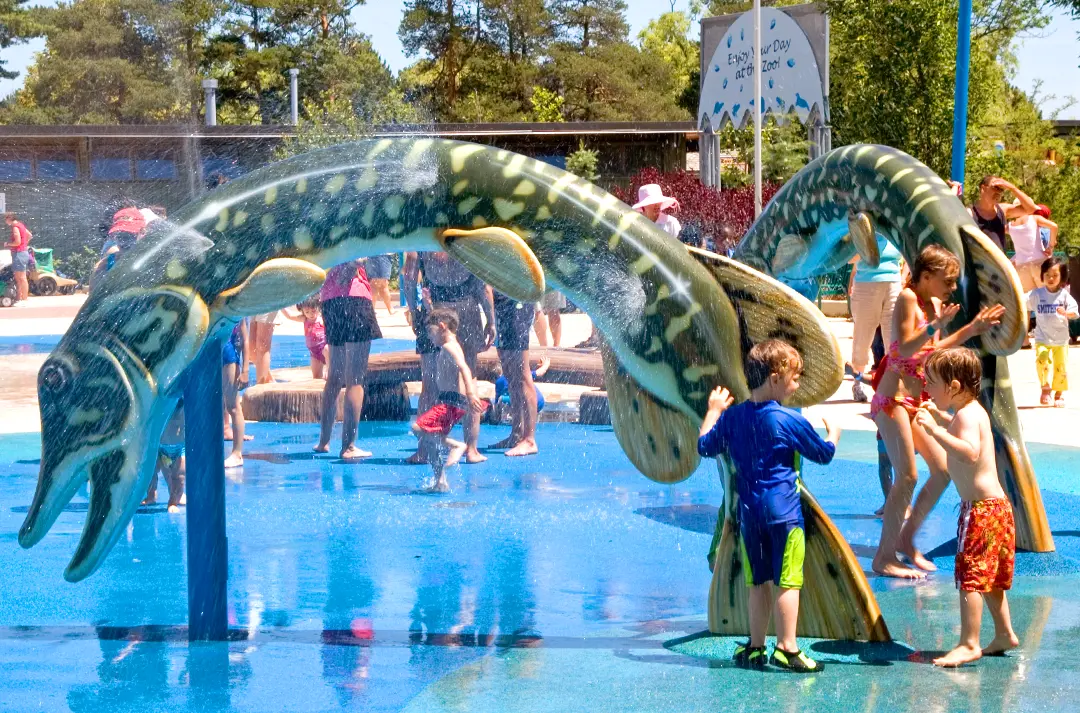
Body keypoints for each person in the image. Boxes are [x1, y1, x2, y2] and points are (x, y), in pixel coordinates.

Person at [697, 339, 840, 673]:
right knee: (787, 581)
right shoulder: (788, 419)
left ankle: (756, 646)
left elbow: (705, 446)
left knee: (757, 582)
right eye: (795, 375)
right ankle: (787, 648)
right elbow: (823, 455)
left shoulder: (732, 418)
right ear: (775, 377)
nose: (798, 383)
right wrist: (834, 433)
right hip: (784, 516)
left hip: (750, 517)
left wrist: (713, 410)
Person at [871, 245, 1005, 579]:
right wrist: (934, 326)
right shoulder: (906, 298)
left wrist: (969, 330)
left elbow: (932, 351)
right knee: (907, 475)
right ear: (926, 276)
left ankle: (906, 538)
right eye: (946, 280)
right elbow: (904, 347)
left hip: (914, 402)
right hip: (893, 399)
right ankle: (883, 557)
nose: (951, 287)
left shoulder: (931, 305)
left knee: (942, 471)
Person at [914, 348, 1018, 667]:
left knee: (970, 576)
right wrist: (940, 419)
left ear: (954, 386)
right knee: (988, 577)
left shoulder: (967, 416)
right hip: (993, 507)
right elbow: (962, 431)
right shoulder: (969, 411)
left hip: (982, 510)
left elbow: (970, 452)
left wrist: (934, 431)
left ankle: (969, 643)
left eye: (931, 382)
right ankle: (1003, 633)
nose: (926, 387)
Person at [406, 252, 494, 464]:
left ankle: (426, 449)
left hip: (436, 312)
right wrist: (491, 320)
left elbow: (409, 279)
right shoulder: (465, 235)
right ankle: (470, 450)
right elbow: (483, 285)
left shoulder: (423, 238)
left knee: (431, 385)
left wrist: (414, 310)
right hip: (462, 309)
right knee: (467, 382)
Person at [411, 309, 488, 492]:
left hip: (451, 402)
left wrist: (471, 393)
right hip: (449, 400)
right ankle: (440, 481)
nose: (430, 337)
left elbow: (465, 368)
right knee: (431, 441)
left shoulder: (449, 347)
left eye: (430, 332)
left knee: (418, 428)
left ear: (442, 327)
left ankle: (457, 446)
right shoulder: (451, 344)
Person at [316, 260, 382, 459]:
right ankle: (348, 446)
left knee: (335, 376)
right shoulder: (353, 229)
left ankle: (323, 441)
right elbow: (357, 259)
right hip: (355, 299)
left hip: (330, 300)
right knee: (355, 378)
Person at [848, 234, 904, 402]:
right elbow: (849, 257)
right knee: (863, 337)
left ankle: (891, 384)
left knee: (894, 338)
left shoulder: (893, 225)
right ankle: (858, 383)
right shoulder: (862, 225)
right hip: (866, 283)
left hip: (894, 282)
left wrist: (903, 276)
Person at [1027, 257, 1078, 407]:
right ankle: (1045, 388)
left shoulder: (1064, 296)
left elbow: (1074, 312)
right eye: (1047, 274)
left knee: (1060, 367)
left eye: (1055, 275)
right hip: (1042, 338)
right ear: (1042, 275)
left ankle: (1059, 394)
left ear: (1062, 277)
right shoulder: (1036, 294)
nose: (1050, 278)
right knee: (1042, 360)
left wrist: (1066, 313)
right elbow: (1021, 301)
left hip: (1061, 340)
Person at [969, 176, 1036, 252]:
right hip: (979, 262)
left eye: (1001, 189)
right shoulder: (970, 213)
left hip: (1000, 262)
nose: (998, 192)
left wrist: (1012, 188)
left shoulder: (1003, 210)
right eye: (995, 187)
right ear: (983, 188)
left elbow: (1031, 209)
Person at [144, 404, 186, 513]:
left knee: (179, 476)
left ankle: (173, 501)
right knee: (151, 471)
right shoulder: (162, 404)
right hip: (160, 446)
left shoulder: (183, 405)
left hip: (181, 447)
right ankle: (151, 494)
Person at [1009, 204, 1058, 292]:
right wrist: (1051, 247)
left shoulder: (1010, 226)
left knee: (1029, 301)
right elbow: (1054, 226)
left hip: (1021, 266)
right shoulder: (1034, 219)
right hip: (1039, 262)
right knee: (1047, 296)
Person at [222, 320, 250, 469]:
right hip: (214, 355)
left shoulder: (236, 311)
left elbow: (245, 339)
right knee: (217, 403)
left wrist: (245, 370)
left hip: (229, 358)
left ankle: (237, 453)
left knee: (233, 406)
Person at [283, 296, 328, 380]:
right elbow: (289, 316)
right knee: (316, 376)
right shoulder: (305, 319)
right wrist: (281, 306)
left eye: (313, 311)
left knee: (329, 371)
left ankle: (329, 371)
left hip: (324, 350)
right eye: (307, 312)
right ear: (303, 312)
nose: (310, 314)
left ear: (318, 307)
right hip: (314, 353)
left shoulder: (322, 319)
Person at [4, 212, 31, 303]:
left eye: (6, 219)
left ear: (9, 219)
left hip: (19, 254)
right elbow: (29, 235)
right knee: (18, 277)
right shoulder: (21, 225)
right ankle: (19, 297)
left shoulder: (15, 227)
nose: (5, 221)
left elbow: (17, 242)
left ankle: (24, 299)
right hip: (22, 252)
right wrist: (25, 244)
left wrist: (7, 244)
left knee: (22, 278)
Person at [250, 311, 278, 385]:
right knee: (251, 348)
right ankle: (269, 379)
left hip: (268, 301)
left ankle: (261, 386)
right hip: (252, 301)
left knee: (262, 345)